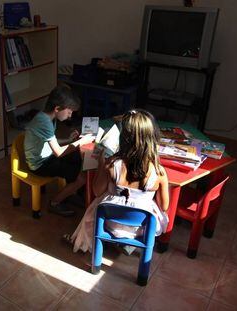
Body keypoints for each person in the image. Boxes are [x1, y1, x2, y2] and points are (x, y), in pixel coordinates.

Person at [65, 109, 169, 253]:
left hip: (110, 221)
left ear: (123, 138)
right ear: (152, 139)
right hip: (142, 226)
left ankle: (87, 242)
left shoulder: (112, 164)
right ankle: (129, 243)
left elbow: (97, 191)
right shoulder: (159, 172)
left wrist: (102, 164)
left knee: (99, 201)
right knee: (150, 207)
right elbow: (164, 206)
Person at [24, 85, 94, 217]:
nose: (70, 115)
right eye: (69, 112)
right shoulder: (44, 122)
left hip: (46, 156)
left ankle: (71, 192)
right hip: (39, 165)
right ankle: (54, 203)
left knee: (78, 159)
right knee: (81, 177)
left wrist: (68, 139)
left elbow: (51, 141)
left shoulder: (49, 118)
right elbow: (59, 153)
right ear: (57, 108)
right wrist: (80, 142)